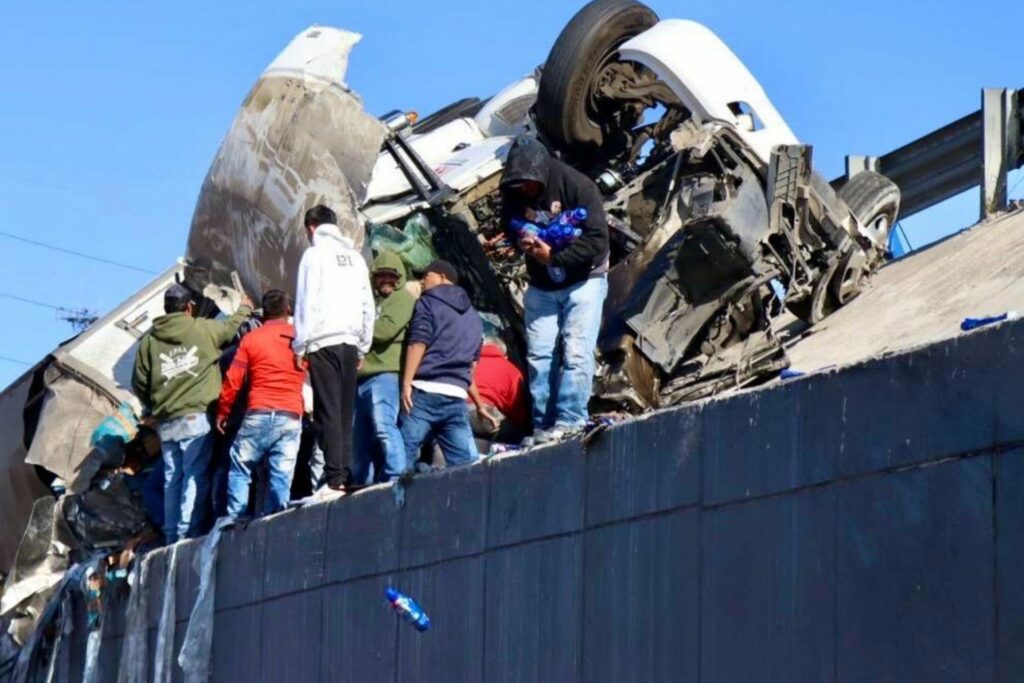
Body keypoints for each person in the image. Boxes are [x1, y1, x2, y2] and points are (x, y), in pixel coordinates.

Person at [499, 135, 609, 443]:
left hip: (585, 279)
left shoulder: (577, 186)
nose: (526, 191)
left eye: (530, 184)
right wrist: (519, 240)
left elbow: (598, 240)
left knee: (576, 350)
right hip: (541, 286)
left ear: (543, 172)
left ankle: (571, 418)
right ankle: (544, 426)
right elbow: (508, 223)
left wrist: (554, 257)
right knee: (540, 356)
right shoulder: (514, 191)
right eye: (519, 185)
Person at [132, 283, 252, 543]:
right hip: (195, 417)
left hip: (166, 421)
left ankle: (172, 534)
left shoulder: (149, 342)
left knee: (172, 479)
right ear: (189, 307)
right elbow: (231, 328)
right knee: (195, 475)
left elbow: (139, 382)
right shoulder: (201, 329)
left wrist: (156, 404)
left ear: (166, 309)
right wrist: (244, 308)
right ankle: (187, 533)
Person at [292, 205, 375, 497]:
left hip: (322, 341)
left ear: (311, 227)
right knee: (344, 411)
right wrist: (364, 344)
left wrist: (300, 345)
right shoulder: (355, 258)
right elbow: (368, 304)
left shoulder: (313, 256)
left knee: (327, 412)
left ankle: (334, 478)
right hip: (351, 342)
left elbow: (305, 301)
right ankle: (345, 473)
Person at [217, 290, 306, 518]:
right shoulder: (299, 337)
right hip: (291, 414)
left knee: (240, 468)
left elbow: (233, 380)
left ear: (264, 313)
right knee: (281, 474)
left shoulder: (251, 339)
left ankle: (236, 519)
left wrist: (223, 411)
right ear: (288, 310)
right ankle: (279, 519)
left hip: (258, 412)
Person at [400, 260, 485, 468]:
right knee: (465, 467)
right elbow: (471, 364)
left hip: (424, 391)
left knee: (402, 456)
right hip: (456, 397)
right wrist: (479, 404)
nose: (421, 281)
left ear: (442, 277)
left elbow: (418, 342)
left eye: (425, 275)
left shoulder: (427, 302)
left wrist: (406, 383)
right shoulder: (474, 315)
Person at [353, 251, 420, 483]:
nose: (386, 280)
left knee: (384, 427)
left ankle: (397, 476)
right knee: (359, 437)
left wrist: (354, 329)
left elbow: (385, 331)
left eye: (392, 276)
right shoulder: (371, 302)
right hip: (360, 378)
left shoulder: (403, 299)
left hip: (385, 375)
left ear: (400, 278)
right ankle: (362, 483)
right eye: (381, 276)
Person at [467, 337, 529, 447]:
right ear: (505, 356)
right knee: (521, 436)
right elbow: (517, 410)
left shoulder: (468, 364)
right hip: (487, 416)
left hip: (459, 411)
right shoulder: (512, 371)